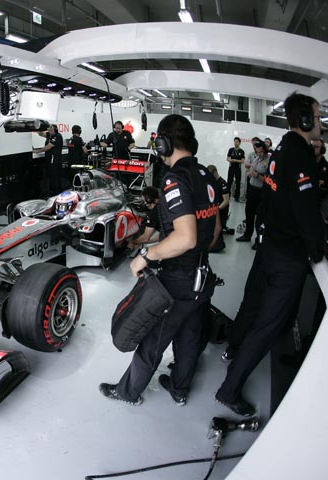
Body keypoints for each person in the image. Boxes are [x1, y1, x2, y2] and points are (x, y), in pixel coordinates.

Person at [215, 92, 325, 417]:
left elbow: (272, 198)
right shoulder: (301, 157)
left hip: (269, 246)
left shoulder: (281, 148)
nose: (320, 123)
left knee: (252, 303)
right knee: (268, 325)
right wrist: (318, 252)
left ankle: (233, 348)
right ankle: (229, 390)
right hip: (288, 257)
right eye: (318, 117)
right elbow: (307, 214)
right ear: (304, 120)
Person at [99, 114, 221, 407]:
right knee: (189, 340)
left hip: (178, 280)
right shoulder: (206, 176)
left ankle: (128, 392)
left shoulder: (174, 178)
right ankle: (179, 390)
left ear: (164, 144)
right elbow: (215, 231)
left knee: (153, 341)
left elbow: (186, 238)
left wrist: (146, 256)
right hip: (203, 277)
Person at [237, 139, 270, 248]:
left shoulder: (269, 160)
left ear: (265, 150)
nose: (259, 154)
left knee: (260, 218)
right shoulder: (256, 158)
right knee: (249, 213)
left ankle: (259, 240)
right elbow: (251, 167)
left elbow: (269, 180)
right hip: (252, 189)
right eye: (257, 152)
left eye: (261, 152)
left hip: (261, 191)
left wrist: (257, 175)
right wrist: (252, 173)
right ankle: (247, 235)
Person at [34, 124, 64, 196]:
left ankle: (57, 193)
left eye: (50, 128)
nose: (49, 130)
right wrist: (37, 128)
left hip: (55, 160)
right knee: (51, 177)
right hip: (49, 159)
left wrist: (37, 151)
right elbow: (41, 134)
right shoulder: (49, 135)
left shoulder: (57, 136)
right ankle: (54, 192)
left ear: (54, 129)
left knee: (55, 177)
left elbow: (48, 147)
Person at [206, 165, 231, 252]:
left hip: (220, 210)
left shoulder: (222, 183)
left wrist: (217, 210)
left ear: (215, 172)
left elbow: (226, 201)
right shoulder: (212, 183)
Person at [226, 137, 245, 201]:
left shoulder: (241, 151)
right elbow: (227, 158)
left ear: (239, 143)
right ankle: (228, 196)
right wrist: (230, 160)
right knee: (229, 182)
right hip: (231, 167)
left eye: (237, 141)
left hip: (238, 168)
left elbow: (242, 161)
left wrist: (236, 160)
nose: (235, 143)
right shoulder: (231, 150)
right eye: (235, 141)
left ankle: (237, 197)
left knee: (238, 182)